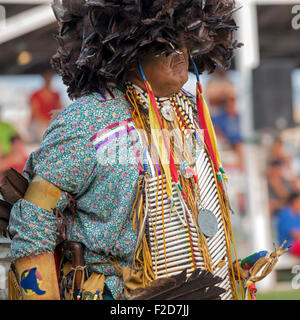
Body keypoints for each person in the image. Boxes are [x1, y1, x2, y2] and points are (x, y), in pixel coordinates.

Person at [6, 0, 244, 300]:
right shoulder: (87, 120)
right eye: (165, 45)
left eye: (185, 42)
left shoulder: (190, 113)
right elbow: (34, 215)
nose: (180, 53)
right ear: (128, 53)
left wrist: (226, 268)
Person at [29, 70, 62, 142]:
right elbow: (35, 112)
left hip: (51, 123)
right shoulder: (36, 94)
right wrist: (45, 122)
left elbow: (59, 110)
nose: (48, 79)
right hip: (40, 124)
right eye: (47, 77)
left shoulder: (56, 95)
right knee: (43, 132)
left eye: (50, 77)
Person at [277, 192, 300, 257]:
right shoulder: (285, 214)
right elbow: (294, 234)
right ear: (293, 202)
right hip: (287, 247)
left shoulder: (297, 214)